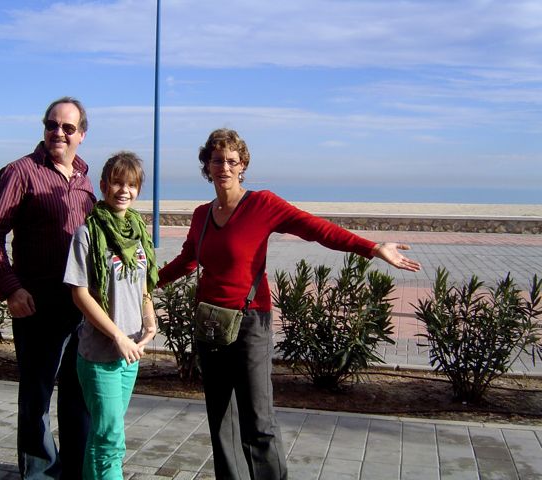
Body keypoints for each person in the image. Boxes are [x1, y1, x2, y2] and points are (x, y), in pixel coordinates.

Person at [157, 128, 422, 480]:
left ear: (243, 165)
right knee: (221, 419)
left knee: (258, 421)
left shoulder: (262, 204)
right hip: (211, 326)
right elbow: (187, 261)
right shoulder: (201, 214)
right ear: (207, 165)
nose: (223, 166)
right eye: (216, 160)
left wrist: (372, 248)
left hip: (250, 323)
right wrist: (145, 282)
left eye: (231, 160)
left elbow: (316, 229)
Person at [0, 97, 96, 479]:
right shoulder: (20, 172)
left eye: (67, 127)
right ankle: (40, 474)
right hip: (37, 306)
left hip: (82, 307)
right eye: (51, 125)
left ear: (82, 134)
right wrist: (12, 289)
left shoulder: (84, 179)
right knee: (37, 399)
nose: (58, 132)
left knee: (80, 400)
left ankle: (75, 472)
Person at [64, 151, 159, 479]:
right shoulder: (87, 234)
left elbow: (142, 285)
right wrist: (117, 335)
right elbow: (80, 294)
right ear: (103, 185)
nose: (124, 190)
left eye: (131, 185)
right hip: (99, 355)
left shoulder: (138, 233)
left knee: (103, 435)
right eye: (117, 182)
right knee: (110, 436)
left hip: (130, 353)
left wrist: (149, 318)